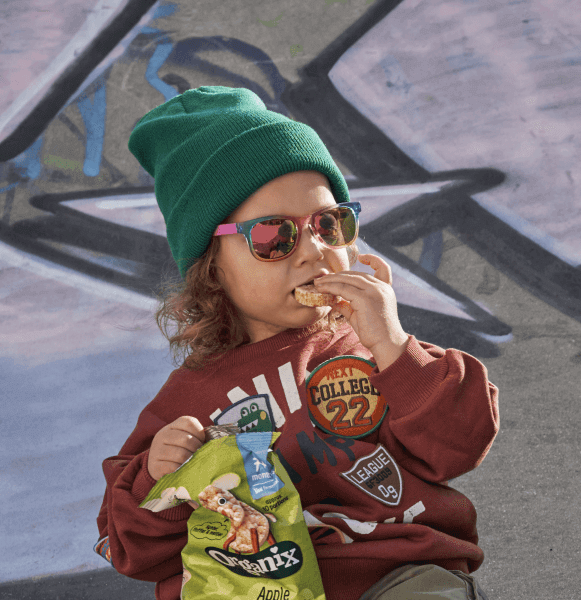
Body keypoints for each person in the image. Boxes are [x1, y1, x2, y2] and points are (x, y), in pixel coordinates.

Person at [94, 86, 499, 600]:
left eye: (329, 224)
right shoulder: (185, 404)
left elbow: (461, 446)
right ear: (211, 267)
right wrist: (162, 481)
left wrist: (394, 345)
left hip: (397, 577)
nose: (313, 251)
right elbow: (131, 550)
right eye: (272, 236)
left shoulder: (374, 350)